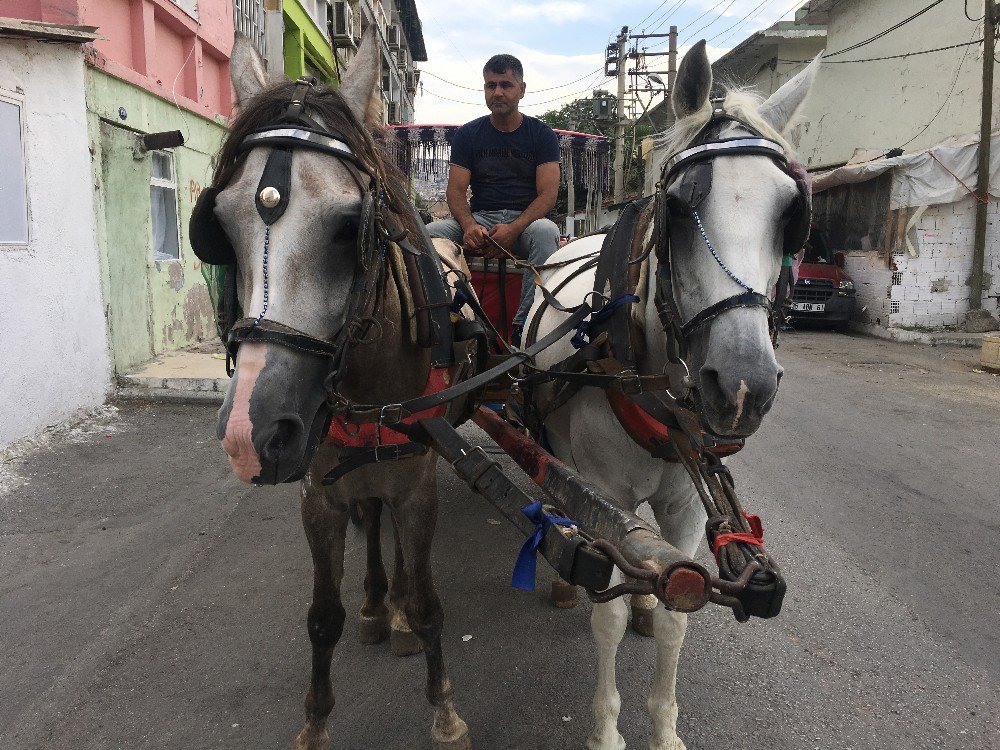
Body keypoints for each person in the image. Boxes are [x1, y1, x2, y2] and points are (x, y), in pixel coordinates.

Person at [425, 53, 561, 345]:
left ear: (521, 90)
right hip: (481, 218)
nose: (497, 92)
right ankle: (448, 319)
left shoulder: (542, 135)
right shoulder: (468, 134)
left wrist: (514, 229)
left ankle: (524, 327)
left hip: (526, 223)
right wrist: (469, 225)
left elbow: (548, 194)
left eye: (506, 85)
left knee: (547, 232)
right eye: (490, 85)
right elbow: (456, 191)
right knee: (429, 235)